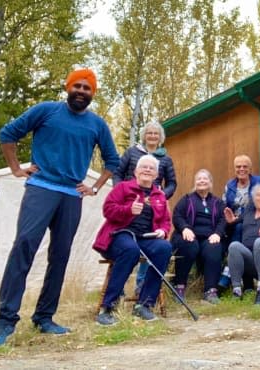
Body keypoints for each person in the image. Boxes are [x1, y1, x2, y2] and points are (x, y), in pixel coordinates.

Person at [0, 68, 120, 346]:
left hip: (71, 196)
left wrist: (94, 187)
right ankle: (5, 321)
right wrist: (16, 168)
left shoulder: (97, 125)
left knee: (59, 256)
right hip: (41, 188)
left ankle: (44, 317)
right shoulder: (47, 111)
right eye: (78, 86)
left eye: (87, 88)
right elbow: (7, 134)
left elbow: (112, 161)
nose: (82, 91)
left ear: (92, 93)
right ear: (68, 87)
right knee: (24, 246)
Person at [93, 155, 172, 325]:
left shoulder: (159, 195)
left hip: (146, 238)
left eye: (151, 168)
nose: (147, 170)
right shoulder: (122, 188)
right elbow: (108, 210)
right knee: (130, 250)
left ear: (156, 174)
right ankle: (108, 307)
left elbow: (166, 221)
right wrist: (128, 210)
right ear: (136, 171)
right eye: (144, 167)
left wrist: (162, 231)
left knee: (164, 248)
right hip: (119, 235)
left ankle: (144, 305)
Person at [113, 121, 177, 297]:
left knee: (152, 242)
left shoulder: (165, 158)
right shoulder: (132, 152)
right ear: (144, 135)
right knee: (126, 243)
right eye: (149, 133)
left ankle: (142, 285)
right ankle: (119, 288)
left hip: (154, 205)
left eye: (156, 134)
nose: (152, 136)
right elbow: (118, 172)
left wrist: (161, 197)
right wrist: (121, 192)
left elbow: (172, 183)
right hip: (129, 202)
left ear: (160, 137)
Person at [171, 169, 226, 304]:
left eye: (205, 178)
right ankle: (180, 287)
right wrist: (185, 228)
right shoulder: (187, 199)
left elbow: (223, 219)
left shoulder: (217, 202)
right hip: (189, 235)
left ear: (210, 183)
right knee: (189, 245)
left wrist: (217, 233)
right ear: (195, 183)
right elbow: (177, 216)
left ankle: (210, 291)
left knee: (214, 248)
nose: (201, 181)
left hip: (209, 237)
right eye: (199, 179)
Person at [218, 155, 260, 288]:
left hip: (254, 221)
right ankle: (244, 283)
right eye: (238, 166)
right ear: (234, 169)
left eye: (245, 166)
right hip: (233, 222)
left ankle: (228, 274)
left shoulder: (259, 182)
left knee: (240, 229)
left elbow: (259, 203)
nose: (241, 169)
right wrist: (227, 215)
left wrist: (238, 219)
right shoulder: (230, 185)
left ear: (250, 169)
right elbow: (223, 204)